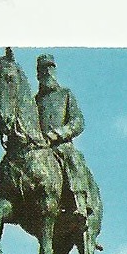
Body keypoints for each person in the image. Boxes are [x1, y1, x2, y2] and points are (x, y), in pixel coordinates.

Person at [34, 53, 94, 214]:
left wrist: (58, 134)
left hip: (61, 145)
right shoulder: (34, 102)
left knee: (74, 158)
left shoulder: (65, 94)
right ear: (37, 74)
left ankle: (80, 204)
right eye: (42, 69)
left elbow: (78, 121)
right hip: (39, 148)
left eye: (49, 68)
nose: (46, 72)